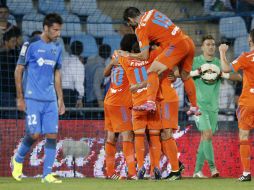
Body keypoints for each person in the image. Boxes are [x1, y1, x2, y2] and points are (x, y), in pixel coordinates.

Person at [11, 13, 65, 183]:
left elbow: (57, 74)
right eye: (55, 30)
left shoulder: (57, 48)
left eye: (59, 30)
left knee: (51, 134)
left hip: (50, 100)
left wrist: (60, 99)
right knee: (34, 134)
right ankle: (18, 159)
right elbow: (18, 70)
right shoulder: (31, 45)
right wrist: (20, 98)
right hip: (33, 98)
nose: (58, 33)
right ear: (46, 28)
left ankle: (47, 175)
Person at [118, 7, 199, 116]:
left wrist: (127, 54)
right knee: (185, 75)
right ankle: (194, 106)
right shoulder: (153, 12)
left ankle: (150, 102)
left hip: (176, 45)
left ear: (130, 20)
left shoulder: (141, 28)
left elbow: (144, 56)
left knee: (152, 71)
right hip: (187, 41)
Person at [191, 35, 241, 178]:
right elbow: (181, 74)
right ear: (202, 47)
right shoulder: (195, 62)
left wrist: (222, 74)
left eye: (213, 44)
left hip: (213, 107)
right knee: (206, 134)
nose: (211, 47)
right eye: (208, 44)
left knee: (205, 138)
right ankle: (213, 169)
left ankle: (197, 171)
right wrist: (197, 72)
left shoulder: (219, 63)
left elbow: (238, 77)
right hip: (198, 106)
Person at [117, 34, 163, 180]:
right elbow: (163, 47)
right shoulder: (152, 56)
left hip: (137, 104)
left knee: (139, 136)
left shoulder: (125, 60)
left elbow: (119, 54)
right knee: (155, 136)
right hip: (152, 102)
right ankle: (156, 167)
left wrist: (125, 52)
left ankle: (141, 165)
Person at [219, 29, 254, 182]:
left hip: (248, 102)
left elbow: (226, 68)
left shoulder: (246, 57)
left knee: (244, 136)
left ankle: (246, 173)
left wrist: (222, 52)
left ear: (250, 39)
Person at [103, 37, 137, 180]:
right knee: (127, 135)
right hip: (121, 103)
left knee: (111, 136)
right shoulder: (130, 60)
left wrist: (112, 63)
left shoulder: (116, 55)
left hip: (109, 100)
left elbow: (105, 74)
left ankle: (110, 173)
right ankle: (132, 173)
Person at [62, 41, 84, 108]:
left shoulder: (64, 60)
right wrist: (80, 98)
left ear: (71, 49)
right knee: (68, 116)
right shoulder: (79, 64)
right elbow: (79, 83)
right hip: (68, 94)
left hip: (57, 92)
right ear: (82, 50)